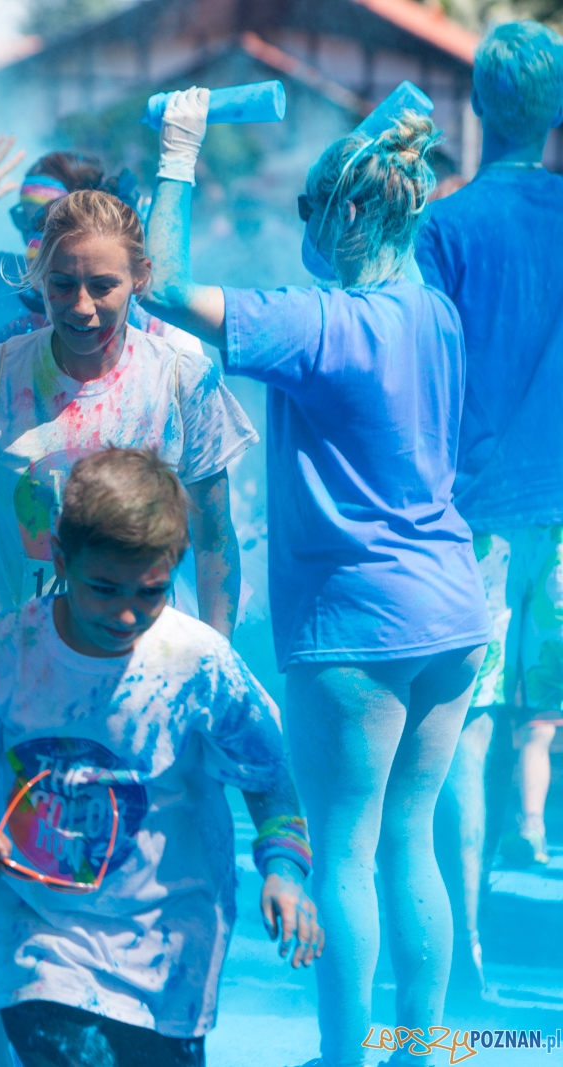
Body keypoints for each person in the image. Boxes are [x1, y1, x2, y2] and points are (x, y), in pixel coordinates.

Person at [143, 89, 491, 1067]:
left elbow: (159, 284)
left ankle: (343, 1057)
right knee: (408, 839)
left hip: (356, 624)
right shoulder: (432, 311)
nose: (299, 224)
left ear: (343, 215)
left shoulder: (317, 325)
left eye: (310, 207)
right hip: (449, 609)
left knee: (341, 849)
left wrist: (180, 141)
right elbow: (383, 210)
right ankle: (418, 1051)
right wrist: (374, 143)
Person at [0, 185, 254, 1066]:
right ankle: (3, 1050)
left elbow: (216, 532)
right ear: (36, 283)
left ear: (140, 280)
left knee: (138, 879)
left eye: (105, 287)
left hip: (139, 674)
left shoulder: (182, 374)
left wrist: (218, 659)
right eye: (63, 287)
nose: (83, 307)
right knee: (13, 878)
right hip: (17, 679)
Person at [0, 448, 321, 1067]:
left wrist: (285, 873)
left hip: (168, 944)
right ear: (61, 560)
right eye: (103, 589)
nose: (127, 612)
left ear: (175, 568)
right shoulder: (8, 651)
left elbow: (269, 777)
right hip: (40, 930)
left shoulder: (200, 665)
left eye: (151, 591)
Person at [417, 22, 563, 995]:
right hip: (559, 518)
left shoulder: (444, 228)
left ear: (477, 106)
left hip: (465, 517)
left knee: (462, 737)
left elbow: (418, 379)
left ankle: (463, 953)